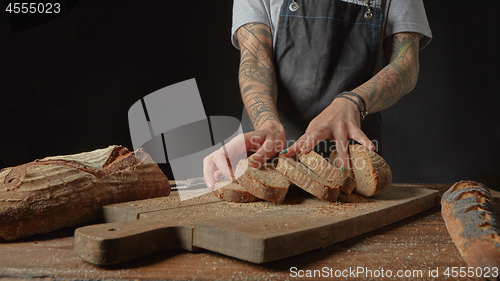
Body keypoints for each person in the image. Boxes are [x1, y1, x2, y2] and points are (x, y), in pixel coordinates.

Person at [204, 0, 432, 189]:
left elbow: (406, 64)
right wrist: (267, 124)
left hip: (351, 162)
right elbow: (255, 59)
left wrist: (352, 102)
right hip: (268, 151)